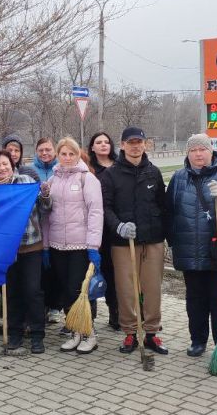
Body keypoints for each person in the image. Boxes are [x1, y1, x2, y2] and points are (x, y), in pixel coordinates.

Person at [165, 133, 217, 357]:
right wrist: (173, 243)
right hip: (189, 251)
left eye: (202, 149)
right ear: (188, 153)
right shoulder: (179, 178)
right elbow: (169, 213)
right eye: (193, 150)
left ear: (211, 151)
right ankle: (197, 340)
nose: (198, 153)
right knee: (195, 300)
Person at [100, 126, 170, 356]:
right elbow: (105, 207)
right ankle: (130, 332)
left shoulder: (153, 172)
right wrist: (119, 226)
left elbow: (163, 204)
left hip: (152, 240)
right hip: (123, 243)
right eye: (130, 142)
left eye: (139, 142)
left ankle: (151, 333)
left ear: (145, 144)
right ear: (122, 145)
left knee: (152, 289)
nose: (135, 146)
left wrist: (166, 236)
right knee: (127, 289)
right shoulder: (111, 174)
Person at [0, 149, 51, 353]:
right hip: (5, 250)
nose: (2, 168)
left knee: (32, 290)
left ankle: (37, 334)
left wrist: (46, 194)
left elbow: (45, 208)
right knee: (11, 293)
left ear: (11, 165)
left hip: (30, 245)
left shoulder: (24, 182)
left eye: (5, 164)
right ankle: (14, 332)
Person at [43, 137, 104, 354]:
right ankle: (74, 332)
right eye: (63, 154)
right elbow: (47, 215)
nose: (67, 158)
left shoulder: (87, 178)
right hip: (58, 245)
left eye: (72, 154)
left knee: (79, 291)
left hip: (81, 245)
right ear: (58, 156)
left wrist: (93, 246)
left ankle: (89, 333)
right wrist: (46, 246)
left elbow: (96, 212)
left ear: (78, 155)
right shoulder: (53, 179)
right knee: (65, 290)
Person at [87, 131, 119, 330]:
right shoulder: (89, 170)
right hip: (96, 229)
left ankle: (116, 312)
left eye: (107, 141)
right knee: (95, 272)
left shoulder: (119, 166)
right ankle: (89, 314)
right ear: (92, 147)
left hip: (116, 227)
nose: (103, 145)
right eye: (98, 142)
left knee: (116, 274)